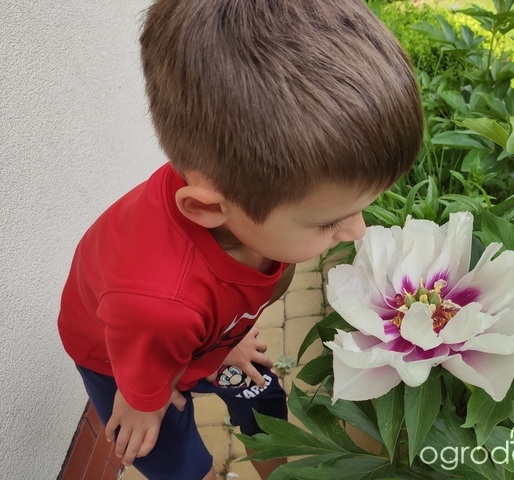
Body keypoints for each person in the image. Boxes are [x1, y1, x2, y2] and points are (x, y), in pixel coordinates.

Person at [57, 0, 424, 478]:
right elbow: (145, 342)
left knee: (263, 398)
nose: (358, 231)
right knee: (171, 457)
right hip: (126, 363)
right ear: (210, 208)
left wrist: (225, 338)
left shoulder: (247, 199)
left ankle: (277, 470)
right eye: (327, 223)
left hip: (201, 335)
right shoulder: (159, 303)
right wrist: (143, 398)